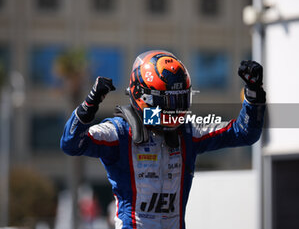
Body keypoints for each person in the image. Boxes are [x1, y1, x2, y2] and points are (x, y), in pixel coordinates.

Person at [60, 50, 266, 229]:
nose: (175, 108)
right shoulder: (119, 133)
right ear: (143, 97)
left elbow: (244, 133)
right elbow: (71, 143)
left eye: (181, 99)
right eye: (168, 101)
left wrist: (254, 93)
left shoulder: (188, 133)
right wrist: (90, 103)